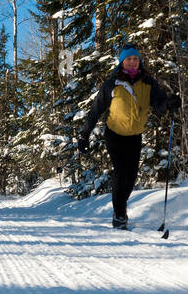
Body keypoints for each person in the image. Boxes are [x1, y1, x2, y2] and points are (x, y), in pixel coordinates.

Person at [77, 44, 181, 229]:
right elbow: (95, 110)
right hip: (114, 134)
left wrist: (169, 104)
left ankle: (121, 207)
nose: (132, 62)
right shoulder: (112, 84)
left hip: (134, 135)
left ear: (139, 61)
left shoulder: (148, 83)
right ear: (122, 62)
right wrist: (84, 134)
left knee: (131, 175)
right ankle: (119, 214)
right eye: (128, 59)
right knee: (121, 172)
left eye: (135, 59)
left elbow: (158, 103)